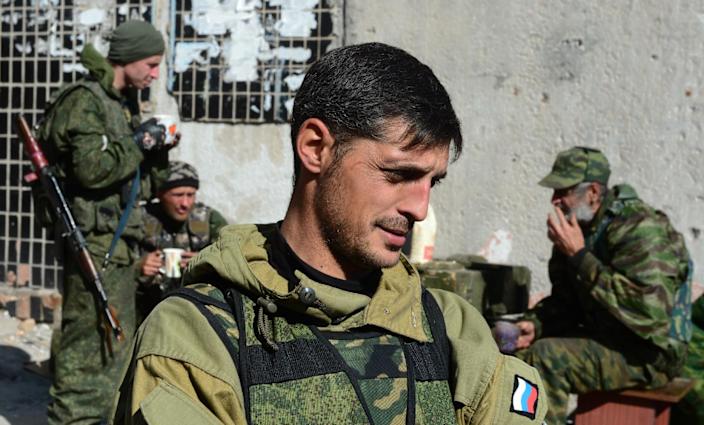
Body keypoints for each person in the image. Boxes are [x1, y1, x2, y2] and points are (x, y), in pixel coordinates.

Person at [111, 43, 547, 425]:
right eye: (398, 174)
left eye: (433, 181)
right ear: (316, 148)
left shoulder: (449, 328)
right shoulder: (198, 337)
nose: (419, 207)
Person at [39, 20, 174, 424]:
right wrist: (139, 141)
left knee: (114, 347)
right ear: (128, 58)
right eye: (151, 64)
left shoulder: (122, 103)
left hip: (119, 244)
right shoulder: (85, 100)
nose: (154, 74)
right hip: (95, 244)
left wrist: (158, 148)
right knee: (88, 348)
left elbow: (142, 183)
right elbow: (91, 170)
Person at [514, 146, 692, 424]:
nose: (555, 200)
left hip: (650, 354)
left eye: (563, 191)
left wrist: (580, 257)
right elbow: (566, 304)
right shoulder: (578, 230)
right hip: (607, 337)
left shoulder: (639, 228)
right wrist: (534, 325)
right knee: (520, 354)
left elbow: (650, 315)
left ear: (593, 192)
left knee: (548, 358)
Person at [136, 160, 228, 320]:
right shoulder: (139, 219)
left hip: (197, 310)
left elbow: (230, 261)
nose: (185, 203)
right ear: (160, 195)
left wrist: (205, 263)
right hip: (146, 311)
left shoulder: (209, 220)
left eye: (190, 195)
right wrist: (139, 267)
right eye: (178, 195)